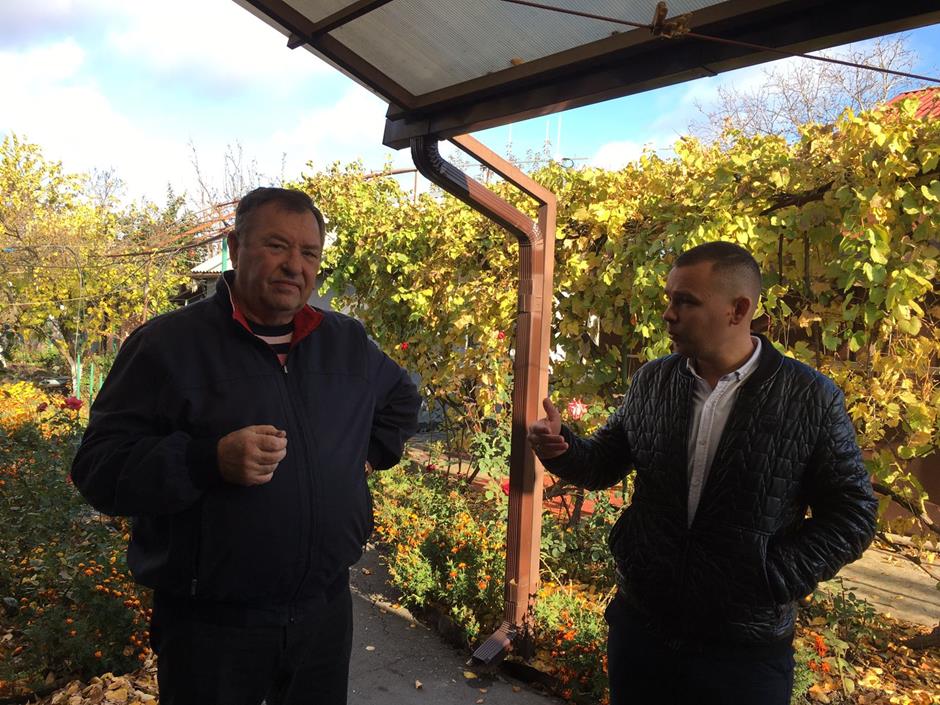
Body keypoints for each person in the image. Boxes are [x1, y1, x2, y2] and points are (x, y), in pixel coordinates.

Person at [71, 187, 421, 705]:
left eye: (309, 253)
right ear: (235, 248)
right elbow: (99, 468)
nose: (294, 266)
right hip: (211, 628)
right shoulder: (167, 345)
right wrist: (205, 461)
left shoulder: (345, 341)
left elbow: (402, 401)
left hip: (323, 615)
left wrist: (362, 458)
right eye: (277, 246)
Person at [528, 241, 877, 705]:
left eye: (686, 301)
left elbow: (853, 515)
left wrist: (771, 577)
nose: (668, 314)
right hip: (642, 631)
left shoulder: (810, 397)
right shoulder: (652, 380)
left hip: (743, 654)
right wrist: (562, 447)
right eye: (669, 299)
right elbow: (604, 462)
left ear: (739, 310)